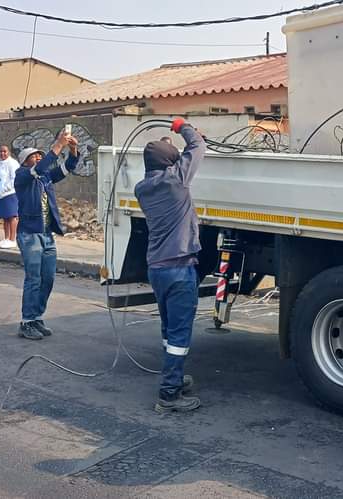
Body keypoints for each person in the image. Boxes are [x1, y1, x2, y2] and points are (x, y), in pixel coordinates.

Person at [134, 118, 205, 414]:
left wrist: (169, 147)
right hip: (178, 268)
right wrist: (182, 125)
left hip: (158, 269)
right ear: (169, 163)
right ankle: (169, 394)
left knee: (168, 330)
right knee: (179, 334)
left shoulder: (143, 187)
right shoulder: (175, 181)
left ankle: (173, 378)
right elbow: (198, 146)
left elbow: (168, 161)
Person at [14, 131, 79, 341]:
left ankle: (37, 317)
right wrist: (58, 145)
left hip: (47, 234)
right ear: (25, 162)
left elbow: (66, 168)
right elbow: (41, 167)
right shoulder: (22, 176)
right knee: (33, 279)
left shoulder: (45, 178)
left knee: (48, 278)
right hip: (30, 235)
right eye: (34, 156)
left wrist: (73, 150)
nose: (39, 158)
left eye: (41, 155)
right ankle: (26, 322)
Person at [0, 145, 19, 249]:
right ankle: (6, 238)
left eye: (5, 151)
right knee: (5, 217)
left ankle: (12, 239)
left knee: (12, 216)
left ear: (9, 152)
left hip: (10, 193)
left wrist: (5, 189)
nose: (2, 154)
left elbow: (14, 179)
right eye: (1, 152)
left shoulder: (13, 163)